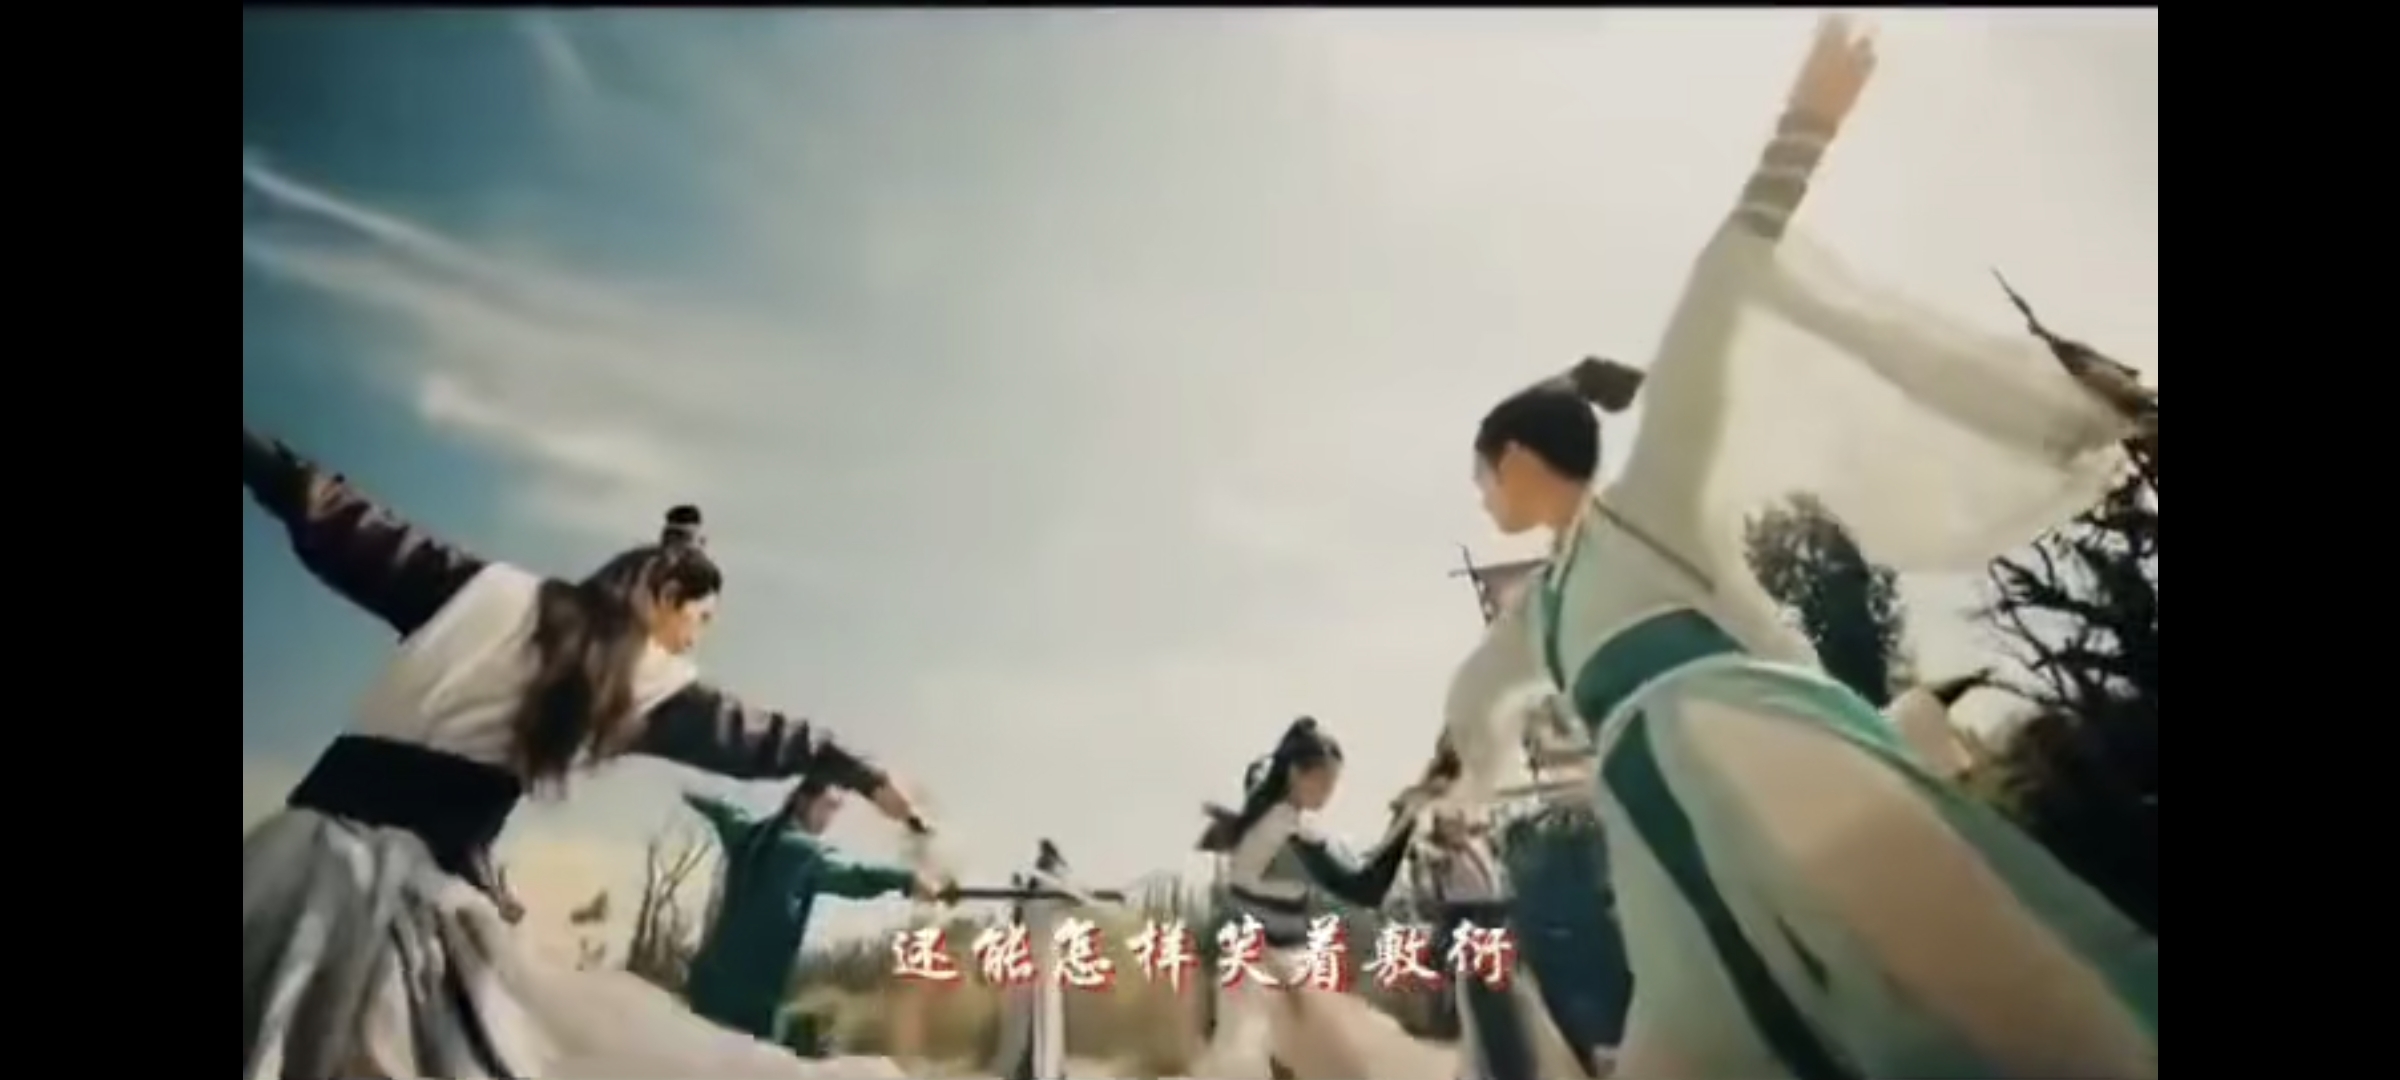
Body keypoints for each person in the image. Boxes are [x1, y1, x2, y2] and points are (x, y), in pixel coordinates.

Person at [1438, 18, 2158, 1080]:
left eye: (1480, 475)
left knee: (1980, 978)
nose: (1481, 496)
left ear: (1513, 456)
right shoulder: (1543, 606)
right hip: (1657, 827)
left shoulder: (1654, 492)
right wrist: (1444, 783)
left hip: (1760, 746)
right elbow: (1477, 691)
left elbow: (1713, 300)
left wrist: (1802, 130)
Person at [240, 427, 927, 1079]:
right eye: (700, 620)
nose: (695, 641)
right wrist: (868, 775)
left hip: (293, 860)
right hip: (400, 917)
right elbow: (762, 738)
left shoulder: (474, 588)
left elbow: (327, 507)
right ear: (667, 596)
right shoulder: (635, 682)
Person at [1189, 719, 1453, 1080]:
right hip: (1270, 976)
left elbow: (1359, 870)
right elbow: (1365, 888)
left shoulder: (1270, 820)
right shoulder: (1285, 829)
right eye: (1323, 781)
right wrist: (1408, 817)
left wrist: (1404, 814)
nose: (1328, 793)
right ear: (1296, 774)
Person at [682, 777, 944, 1047]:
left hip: (707, 988)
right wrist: (907, 880)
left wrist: (692, 792)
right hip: (752, 1004)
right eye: (828, 806)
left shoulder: (748, 833)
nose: (830, 817)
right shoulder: (806, 854)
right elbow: (856, 878)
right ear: (803, 801)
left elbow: (724, 812)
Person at [1412, 809, 1590, 1080]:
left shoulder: (1477, 845)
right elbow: (1431, 897)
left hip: (1495, 924)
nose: (1457, 825)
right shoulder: (1438, 858)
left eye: (1458, 819)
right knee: (1485, 1008)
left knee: (1513, 1005)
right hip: (1470, 928)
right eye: (1449, 823)